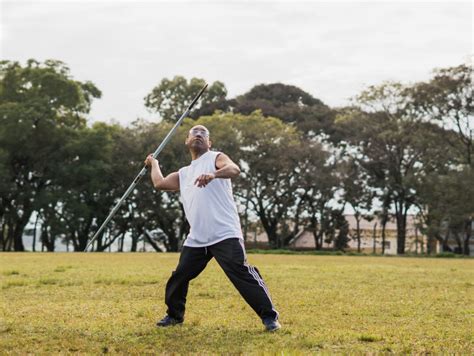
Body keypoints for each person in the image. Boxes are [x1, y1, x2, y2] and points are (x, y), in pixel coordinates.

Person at [144, 124, 281, 332]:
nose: (199, 134)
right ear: (187, 141)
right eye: (194, 133)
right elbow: (160, 183)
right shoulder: (184, 173)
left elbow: (234, 169)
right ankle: (174, 316)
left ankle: (270, 317)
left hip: (224, 233)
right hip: (197, 238)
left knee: (240, 272)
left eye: (204, 134)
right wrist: (154, 163)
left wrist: (214, 175)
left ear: (210, 143)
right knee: (179, 276)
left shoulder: (216, 158)